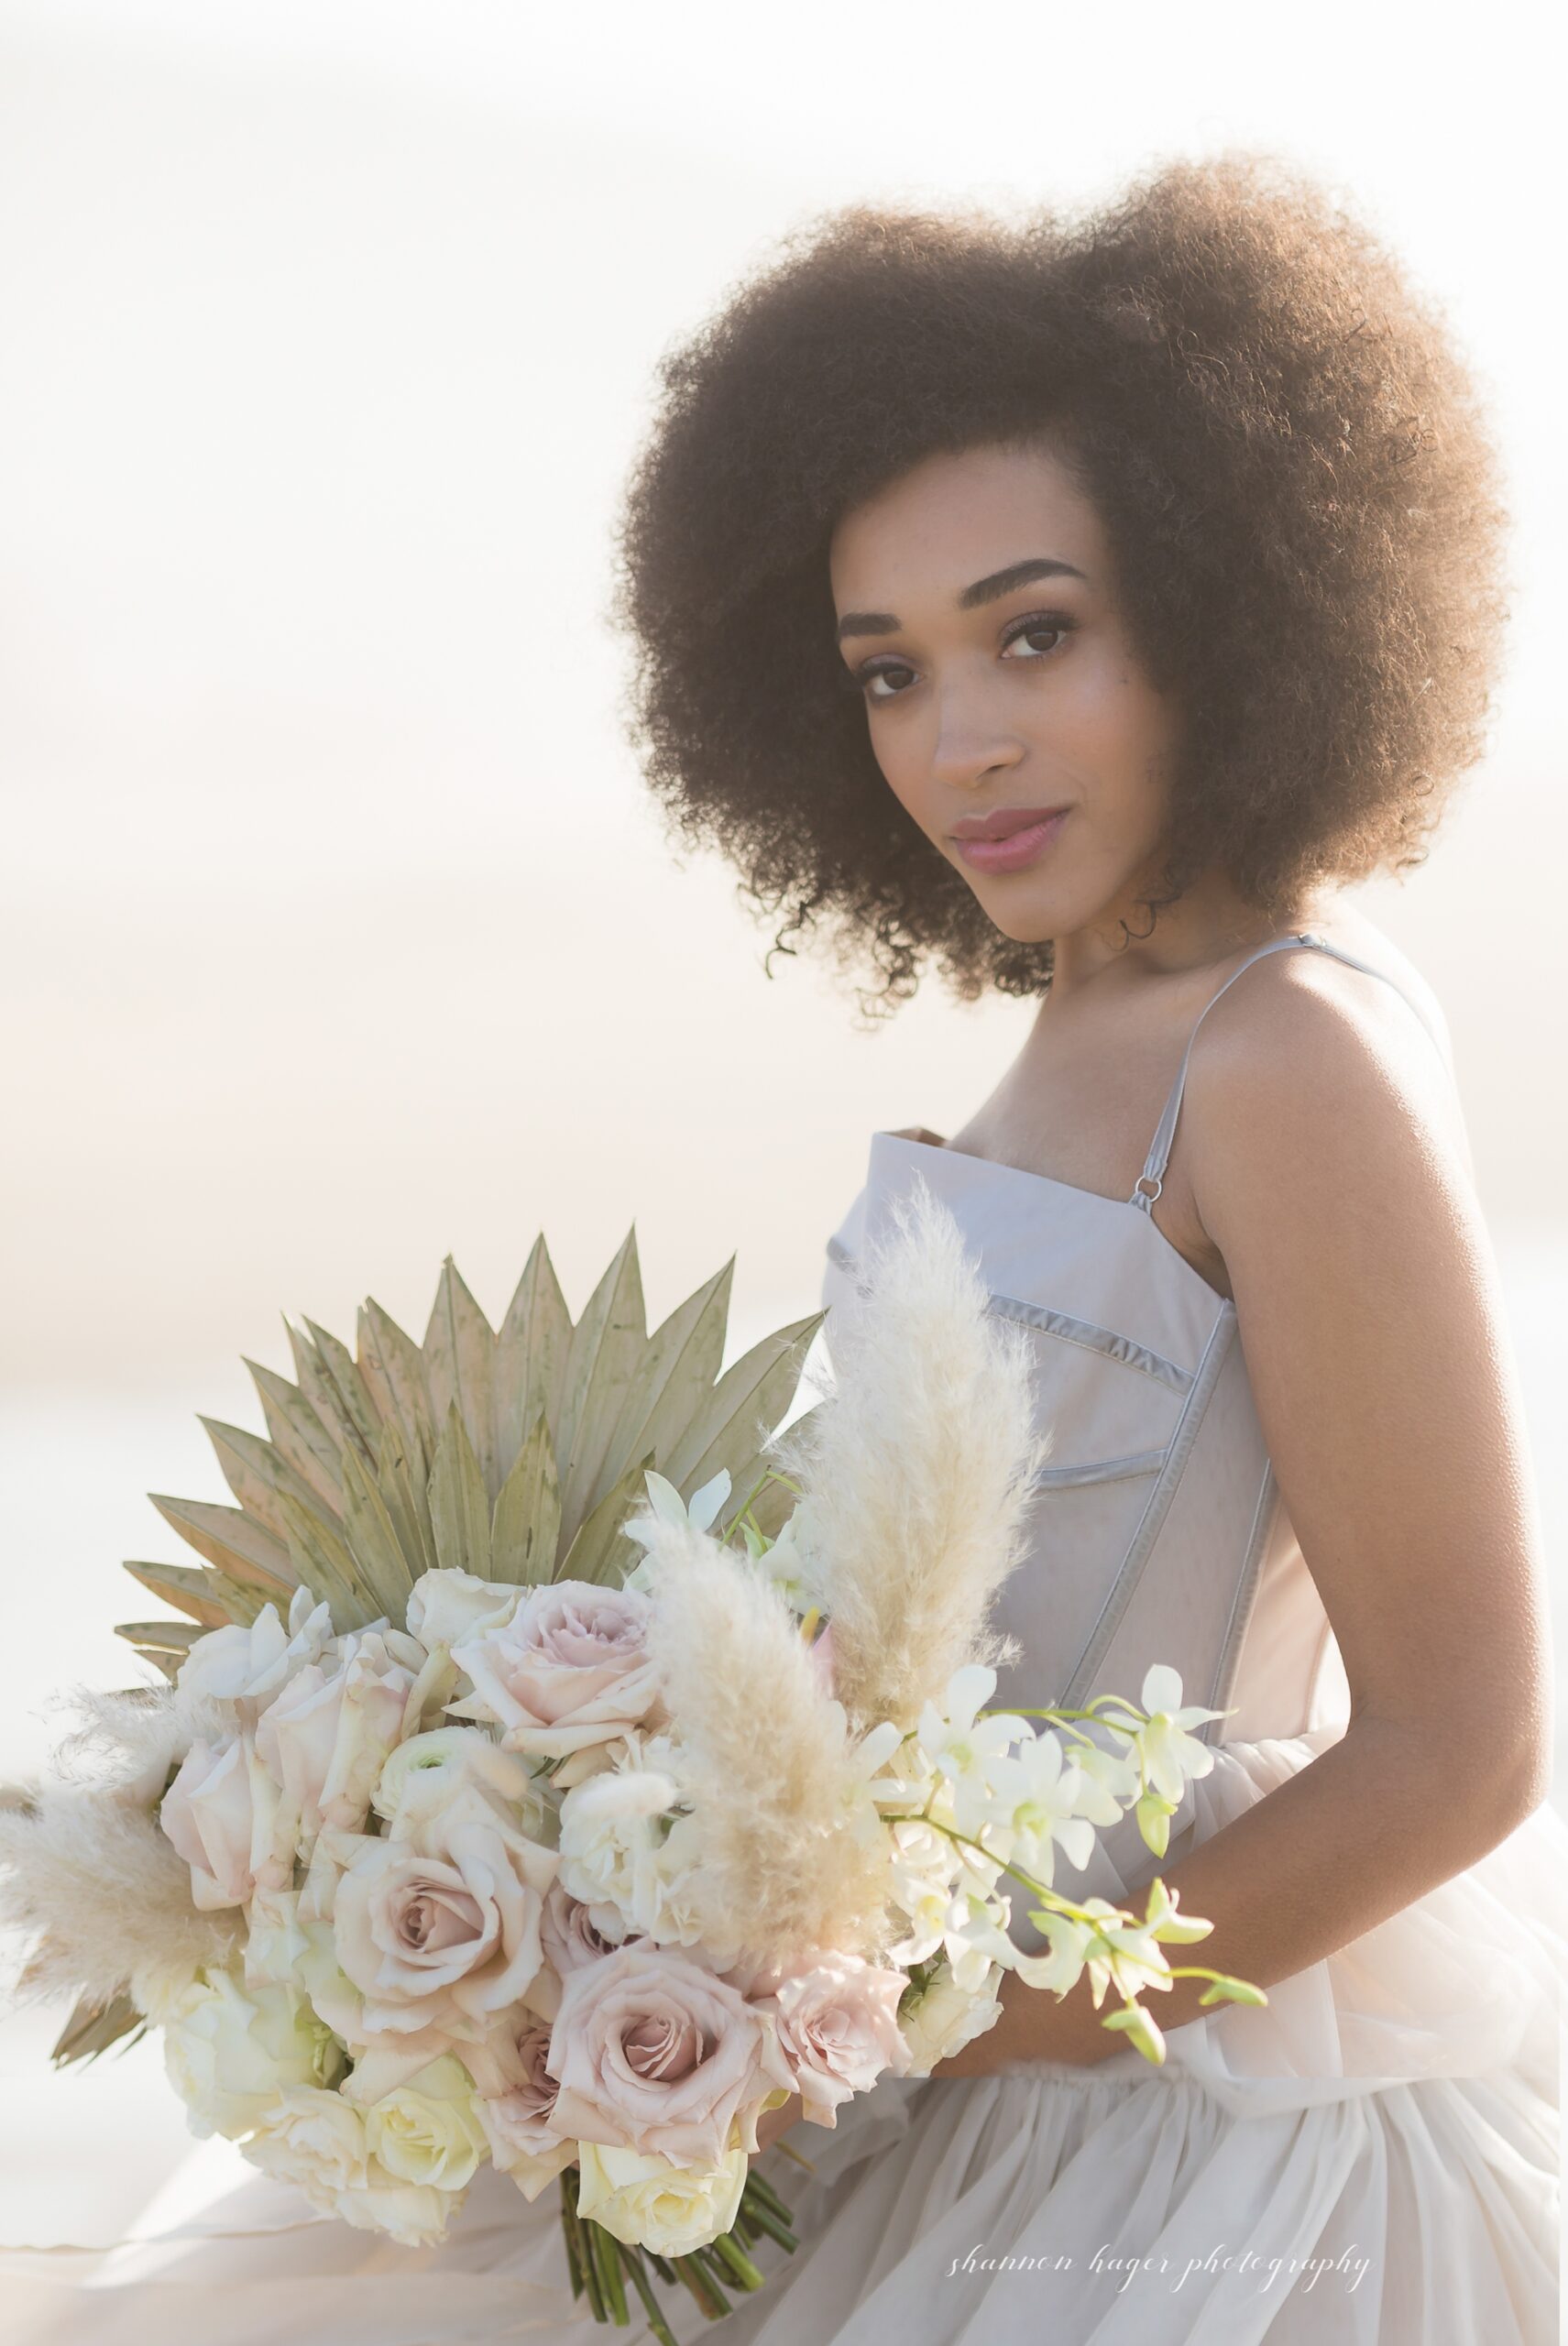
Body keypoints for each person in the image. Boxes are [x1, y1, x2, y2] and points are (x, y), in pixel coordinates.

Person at [5, 149, 1563, 2345]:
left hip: (1163, 2151)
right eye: (889, 672)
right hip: (904, 2077)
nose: (963, 739)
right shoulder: (1074, 1030)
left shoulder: (1283, 1049)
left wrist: (964, 2019)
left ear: (1224, 611)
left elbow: (1465, 1745)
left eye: (1036, 632)